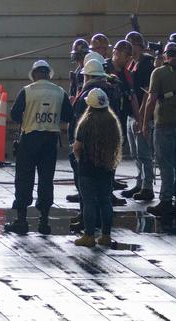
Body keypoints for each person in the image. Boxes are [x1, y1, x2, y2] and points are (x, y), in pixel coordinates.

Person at [6, 60, 72, 234]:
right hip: (50, 141)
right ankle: (44, 222)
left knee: (24, 179)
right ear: (48, 74)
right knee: (46, 180)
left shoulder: (27, 91)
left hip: (29, 139)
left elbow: (14, 114)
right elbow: (68, 115)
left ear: (34, 74)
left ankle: (21, 221)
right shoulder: (60, 92)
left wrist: (29, 119)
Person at [140, 41, 176, 219]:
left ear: (166, 55)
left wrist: (144, 123)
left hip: (165, 123)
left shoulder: (158, 73)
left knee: (166, 164)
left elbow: (151, 100)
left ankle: (166, 201)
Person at [71, 88, 122, 248]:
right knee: (105, 201)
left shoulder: (86, 122)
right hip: (107, 167)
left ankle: (89, 235)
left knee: (89, 203)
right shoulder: (112, 121)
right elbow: (118, 143)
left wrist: (80, 160)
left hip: (87, 168)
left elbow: (77, 146)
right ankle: (106, 235)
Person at [108, 41, 140, 197]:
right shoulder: (104, 68)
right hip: (105, 121)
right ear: (117, 53)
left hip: (120, 120)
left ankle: (111, 181)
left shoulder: (126, 74)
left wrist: (139, 119)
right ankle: (107, 190)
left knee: (115, 153)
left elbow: (132, 96)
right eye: (127, 56)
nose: (128, 60)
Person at [126, 33, 156, 202]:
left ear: (139, 45)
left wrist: (142, 116)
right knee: (135, 153)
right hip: (131, 114)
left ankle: (148, 186)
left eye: (131, 44)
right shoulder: (132, 64)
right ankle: (139, 182)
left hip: (141, 115)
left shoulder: (145, 65)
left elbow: (147, 93)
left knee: (144, 153)